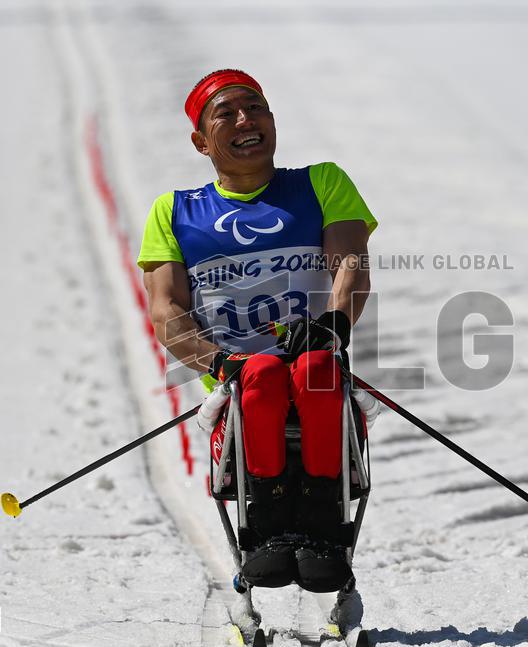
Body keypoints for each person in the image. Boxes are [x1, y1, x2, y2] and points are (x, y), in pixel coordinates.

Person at [138, 69, 376, 593]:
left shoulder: (321, 183)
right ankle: (265, 531)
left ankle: (321, 531)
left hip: (319, 365)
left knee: (312, 370)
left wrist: (331, 326)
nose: (246, 120)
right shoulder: (174, 212)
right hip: (235, 384)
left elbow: (350, 266)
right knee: (263, 373)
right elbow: (166, 311)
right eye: (226, 113)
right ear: (201, 141)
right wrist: (216, 360)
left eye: (257, 107)